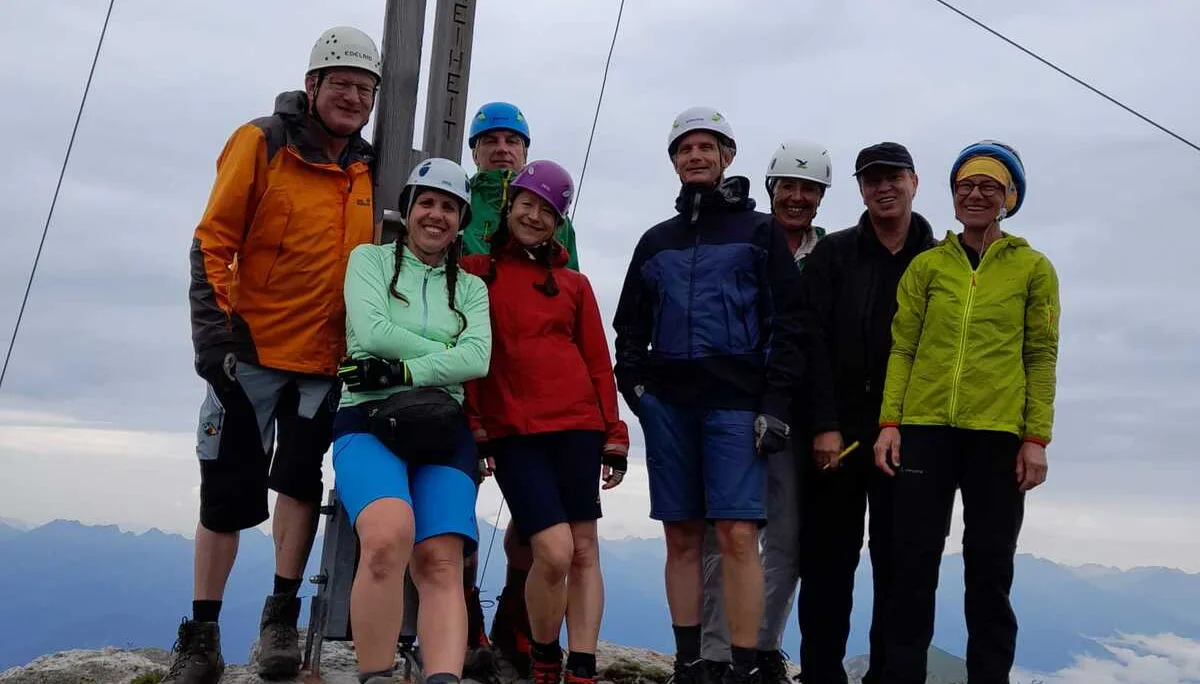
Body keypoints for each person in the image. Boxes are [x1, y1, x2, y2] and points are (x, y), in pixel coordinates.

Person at [171, 26, 382, 684]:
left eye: (365, 88)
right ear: (312, 85)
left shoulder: (369, 168)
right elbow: (213, 241)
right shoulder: (261, 142)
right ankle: (201, 636)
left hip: (323, 363)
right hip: (251, 354)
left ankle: (280, 623)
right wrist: (214, 341)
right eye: (342, 83)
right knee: (225, 494)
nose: (353, 97)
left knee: (298, 485)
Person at [612, 106, 805, 684]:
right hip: (669, 407)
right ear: (673, 161)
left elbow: (790, 325)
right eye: (683, 149)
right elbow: (629, 328)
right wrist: (640, 393)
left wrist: (773, 406)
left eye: (706, 147)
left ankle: (742, 665)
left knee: (739, 533)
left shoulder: (760, 232)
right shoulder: (655, 242)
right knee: (680, 535)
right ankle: (690, 663)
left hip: (737, 406)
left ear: (728, 156)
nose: (694, 156)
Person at [874, 140, 1057, 684]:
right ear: (953, 197)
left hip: (999, 435)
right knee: (912, 564)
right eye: (965, 186)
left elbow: (1041, 355)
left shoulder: (1034, 269)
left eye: (989, 187)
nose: (975, 195)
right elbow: (902, 348)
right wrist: (890, 424)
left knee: (990, 567)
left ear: (1009, 197)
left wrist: (1036, 438)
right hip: (926, 430)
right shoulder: (928, 267)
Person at [461, 159, 630, 684]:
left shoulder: (574, 284)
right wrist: (475, 423)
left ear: (560, 223)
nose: (535, 216)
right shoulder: (472, 272)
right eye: (527, 204)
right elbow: (466, 354)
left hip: (578, 427)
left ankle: (580, 665)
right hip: (514, 431)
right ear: (509, 206)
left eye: (548, 211)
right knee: (552, 549)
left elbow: (598, 363)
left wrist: (615, 434)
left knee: (583, 550)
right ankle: (542, 650)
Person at [332, 156, 493, 684]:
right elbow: (372, 331)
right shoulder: (370, 261)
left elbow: (479, 359)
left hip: (443, 428)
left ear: (461, 220)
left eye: (450, 207)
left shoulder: (470, 288)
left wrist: (403, 367)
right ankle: (377, 674)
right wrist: (445, 349)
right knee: (385, 539)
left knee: (442, 560)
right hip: (366, 417)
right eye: (427, 202)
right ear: (408, 209)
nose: (436, 215)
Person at [795, 142, 935, 684]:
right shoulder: (834, 255)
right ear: (859, 189)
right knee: (828, 564)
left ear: (914, 182)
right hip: (841, 434)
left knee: (902, 567)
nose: (884, 187)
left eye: (893, 177)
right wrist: (825, 425)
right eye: (872, 179)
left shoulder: (938, 258)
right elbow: (812, 340)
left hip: (913, 436)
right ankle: (820, 675)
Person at [699, 140, 834, 684]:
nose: (797, 198)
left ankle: (756, 650)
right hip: (732, 402)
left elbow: (823, 339)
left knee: (785, 541)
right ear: (772, 187)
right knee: (722, 536)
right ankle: (713, 653)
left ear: (821, 197)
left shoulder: (831, 256)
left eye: (809, 189)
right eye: (789, 186)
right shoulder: (742, 237)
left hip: (793, 413)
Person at [459, 101, 580, 674]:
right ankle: (464, 625)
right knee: (456, 507)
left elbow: (565, 294)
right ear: (475, 150)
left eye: (513, 140)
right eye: (490, 140)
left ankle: (515, 619)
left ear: (526, 149)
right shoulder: (458, 203)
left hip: (531, 396)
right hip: (461, 378)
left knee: (534, 523)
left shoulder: (556, 216)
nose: (502, 148)